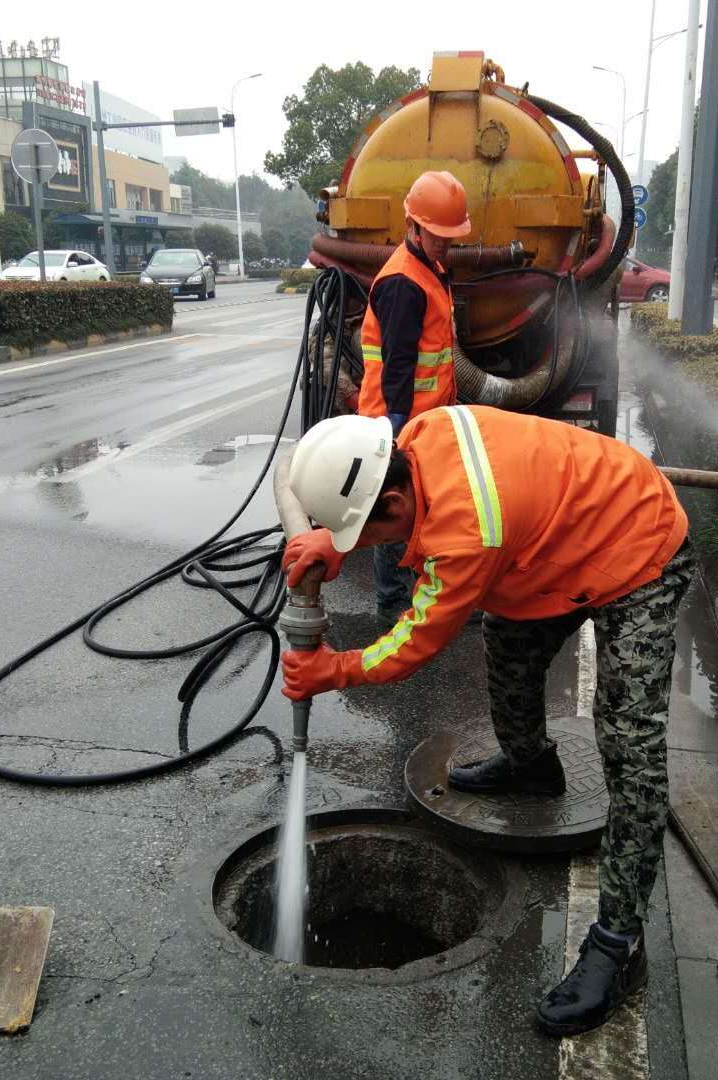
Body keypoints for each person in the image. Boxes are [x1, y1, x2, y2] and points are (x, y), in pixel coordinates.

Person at [279, 406, 694, 1037]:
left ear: (393, 500)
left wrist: (331, 671)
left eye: (366, 533)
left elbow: (411, 645)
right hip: (554, 546)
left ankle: (617, 946)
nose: (368, 546)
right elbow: (414, 526)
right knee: (509, 647)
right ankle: (533, 771)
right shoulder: (419, 436)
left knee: (629, 742)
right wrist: (335, 542)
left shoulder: (471, 532)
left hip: (636, 545)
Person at [357, 170, 470, 627]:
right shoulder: (404, 282)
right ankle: (391, 604)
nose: (444, 242)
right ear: (414, 226)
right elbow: (399, 362)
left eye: (450, 235)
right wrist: (395, 429)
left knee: (428, 506)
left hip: (428, 418)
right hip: (399, 419)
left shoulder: (430, 269)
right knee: (396, 505)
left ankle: (426, 595)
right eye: (437, 233)